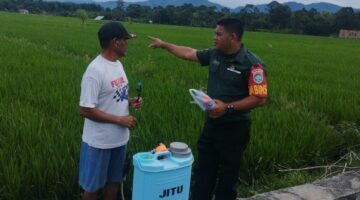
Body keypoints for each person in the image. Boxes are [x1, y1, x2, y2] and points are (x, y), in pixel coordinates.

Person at [148, 18, 268, 200]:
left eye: (219, 34)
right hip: (211, 125)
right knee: (204, 171)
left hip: (235, 129)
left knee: (228, 177)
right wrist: (165, 45)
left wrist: (227, 108)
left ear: (233, 36)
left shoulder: (252, 64)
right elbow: (189, 53)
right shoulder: (215, 54)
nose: (214, 38)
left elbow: (259, 98)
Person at [78, 21, 141, 200]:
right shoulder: (95, 71)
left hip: (119, 140)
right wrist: (120, 120)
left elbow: (114, 95)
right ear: (115, 42)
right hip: (99, 143)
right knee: (92, 188)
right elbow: (85, 110)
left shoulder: (117, 64)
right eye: (125, 40)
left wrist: (129, 101)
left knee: (114, 182)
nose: (127, 43)